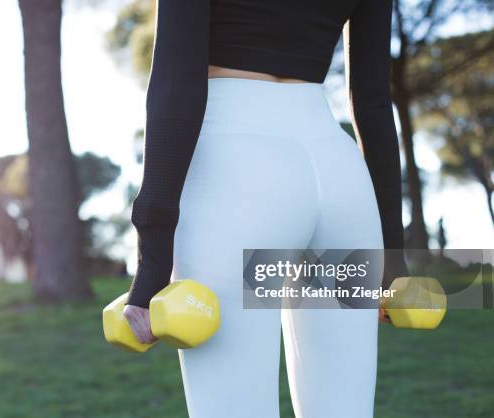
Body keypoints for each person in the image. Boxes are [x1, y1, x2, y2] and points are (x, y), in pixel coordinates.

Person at [123, 0, 409, 417]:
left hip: (233, 166)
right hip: (338, 169)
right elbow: (374, 104)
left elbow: (175, 81)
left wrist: (151, 262)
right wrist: (393, 262)